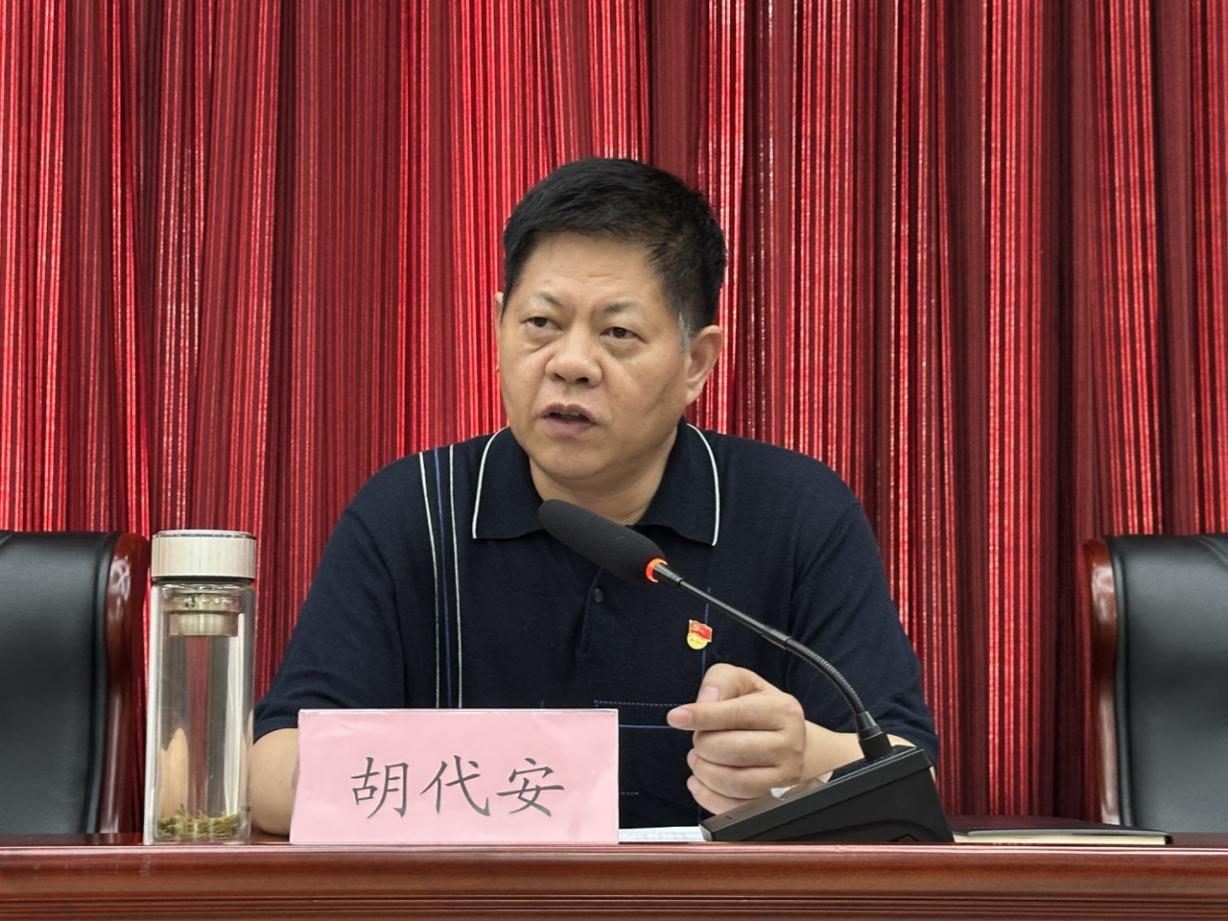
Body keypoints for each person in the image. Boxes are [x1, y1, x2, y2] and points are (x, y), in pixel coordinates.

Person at [250, 157, 937, 834]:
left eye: (618, 333)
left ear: (696, 362)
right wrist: (476, 781)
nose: (571, 363)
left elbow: (911, 776)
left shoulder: (794, 512)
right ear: (498, 326)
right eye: (541, 323)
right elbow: (271, 772)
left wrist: (805, 759)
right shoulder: (411, 512)